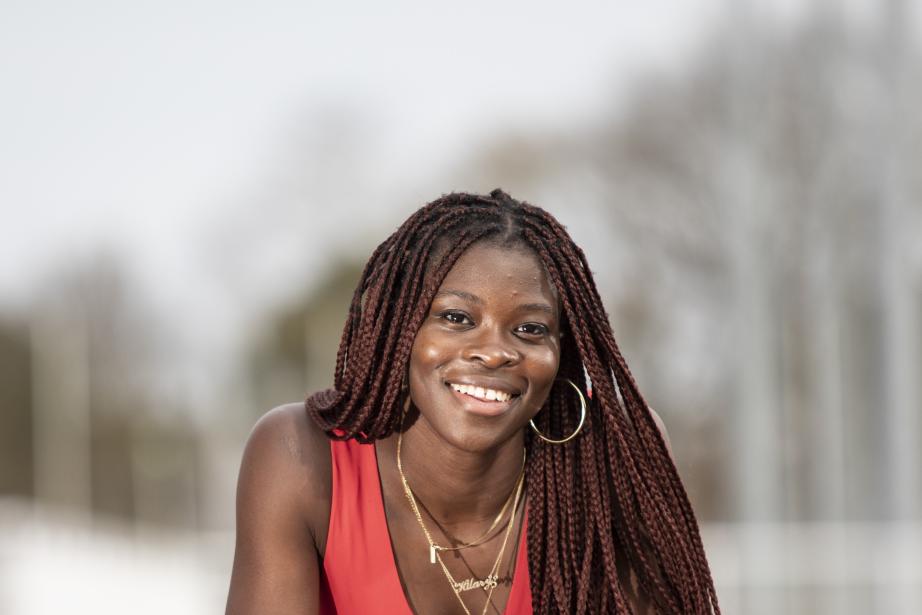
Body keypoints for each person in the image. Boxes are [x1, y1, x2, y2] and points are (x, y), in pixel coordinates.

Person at [225, 190, 721, 614]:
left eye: (530, 329)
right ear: (399, 329)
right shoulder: (299, 458)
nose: (495, 352)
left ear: (562, 352)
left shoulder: (617, 454)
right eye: (458, 318)